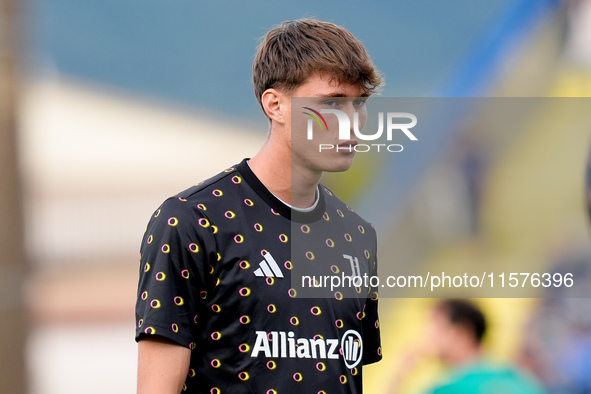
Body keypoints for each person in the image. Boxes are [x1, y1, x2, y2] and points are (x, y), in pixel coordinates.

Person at [135, 19, 383, 393]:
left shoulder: (358, 235)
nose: (351, 124)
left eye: (358, 104)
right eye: (331, 104)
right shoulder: (193, 222)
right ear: (276, 105)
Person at [422, 299, 545, 394]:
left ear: (463, 332)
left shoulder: (449, 389)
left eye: (437, 327)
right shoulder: (520, 379)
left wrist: (403, 372)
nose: (428, 335)